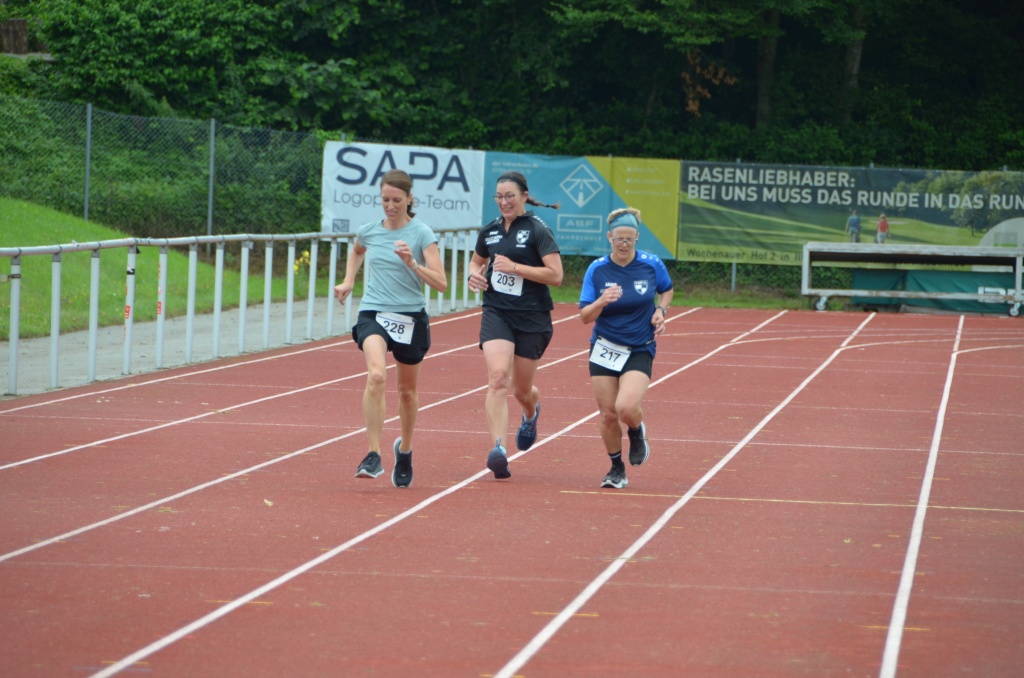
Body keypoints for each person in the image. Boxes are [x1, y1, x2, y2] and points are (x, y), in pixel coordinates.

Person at [334, 169, 448, 488]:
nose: (390, 206)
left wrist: (413, 264)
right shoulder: (369, 231)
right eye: (385, 200)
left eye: (397, 200)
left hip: (410, 316)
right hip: (374, 312)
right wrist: (348, 280)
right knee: (376, 375)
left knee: (407, 392)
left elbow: (441, 283)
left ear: (410, 199)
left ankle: (405, 450)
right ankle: (373, 454)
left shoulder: (422, 233)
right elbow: (358, 250)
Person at [466, 171, 563, 480]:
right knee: (497, 378)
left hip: (532, 317)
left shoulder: (538, 230)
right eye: (499, 196)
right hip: (497, 311)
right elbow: (476, 261)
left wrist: (516, 267)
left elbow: (556, 275)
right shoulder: (490, 231)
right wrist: (473, 275)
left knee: (521, 390)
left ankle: (531, 413)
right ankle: (499, 450)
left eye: (510, 196)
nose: (504, 202)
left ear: (524, 196)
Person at [578, 207, 673, 489]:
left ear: (637, 239)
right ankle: (616, 468)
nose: (624, 244)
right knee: (608, 414)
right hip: (604, 347)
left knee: (626, 407)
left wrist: (661, 311)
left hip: (639, 347)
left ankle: (635, 429)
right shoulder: (597, 269)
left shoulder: (651, 264)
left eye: (629, 240)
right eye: (619, 239)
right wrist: (602, 301)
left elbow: (666, 290)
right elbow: (585, 316)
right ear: (609, 237)